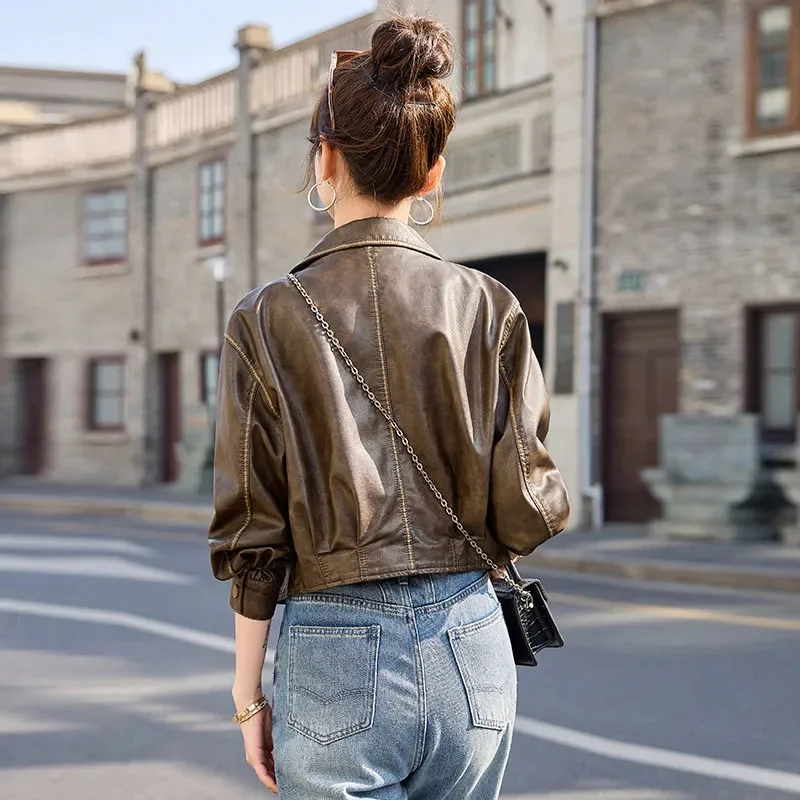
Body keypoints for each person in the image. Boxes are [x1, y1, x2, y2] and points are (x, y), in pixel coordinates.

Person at [208, 14, 570, 799]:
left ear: (325, 159)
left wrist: (247, 699)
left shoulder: (264, 317)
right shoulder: (490, 305)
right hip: (470, 642)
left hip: (334, 650)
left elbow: (253, 533)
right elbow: (530, 508)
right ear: (432, 172)